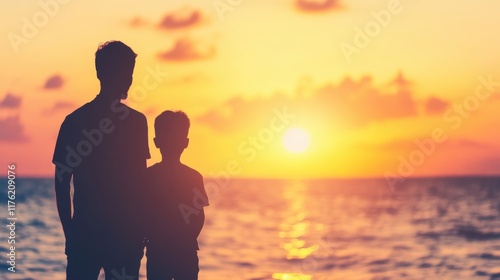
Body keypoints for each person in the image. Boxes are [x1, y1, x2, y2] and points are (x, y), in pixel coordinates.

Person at [53, 41, 150, 280]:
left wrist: (70, 233)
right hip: (114, 237)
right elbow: (142, 184)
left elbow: (62, 183)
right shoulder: (135, 123)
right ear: (101, 73)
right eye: (125, 73)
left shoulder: (75, 121)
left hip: (97, 237)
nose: (128, 81)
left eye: (130, 74)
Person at [146, 110, 209, 280]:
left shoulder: (148, 176)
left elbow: (141, 213)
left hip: (161, 250)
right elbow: (199, 217)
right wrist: (185, 239)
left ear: (156, 142)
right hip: (181, 251)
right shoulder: (194, 177)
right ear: (186, 143)